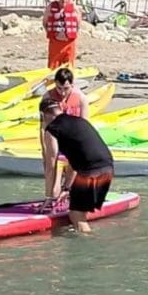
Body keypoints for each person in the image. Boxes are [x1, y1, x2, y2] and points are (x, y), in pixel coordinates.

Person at [38, 96, 114, 234]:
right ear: (61, 109)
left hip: (90, 172)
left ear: (44, 115)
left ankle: (88, 250)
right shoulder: (80, 121)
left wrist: (49, 198)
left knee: (76, 215)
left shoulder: (52, 130)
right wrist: (67, 189)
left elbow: (51, 165)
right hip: (108, 169)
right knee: (81, 211)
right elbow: (75, 161)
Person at [43, 0, 81, 70]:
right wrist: (52, 34)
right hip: (55, 42)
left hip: (69, 43)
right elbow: (45, 22)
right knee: (53, 65)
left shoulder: (75, 8)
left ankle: (67, 81)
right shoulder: (50, 7)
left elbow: (78, 24)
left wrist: (70, 35)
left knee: (69, 66)